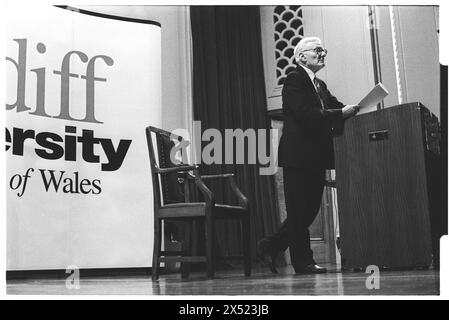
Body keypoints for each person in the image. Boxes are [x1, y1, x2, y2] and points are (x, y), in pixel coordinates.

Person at [258, 36, 359, 274]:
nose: (323, 54)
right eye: (318, 50)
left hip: (315, 156)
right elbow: (305, 114)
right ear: (302, 56)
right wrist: (339, 113)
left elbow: (336, 107)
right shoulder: (294, 79)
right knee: (298, 211)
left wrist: (356, 109)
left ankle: (268, 245)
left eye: (324, 50)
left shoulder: (320, 85)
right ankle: (303, 262)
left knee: (307, 211)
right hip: (297, 155)